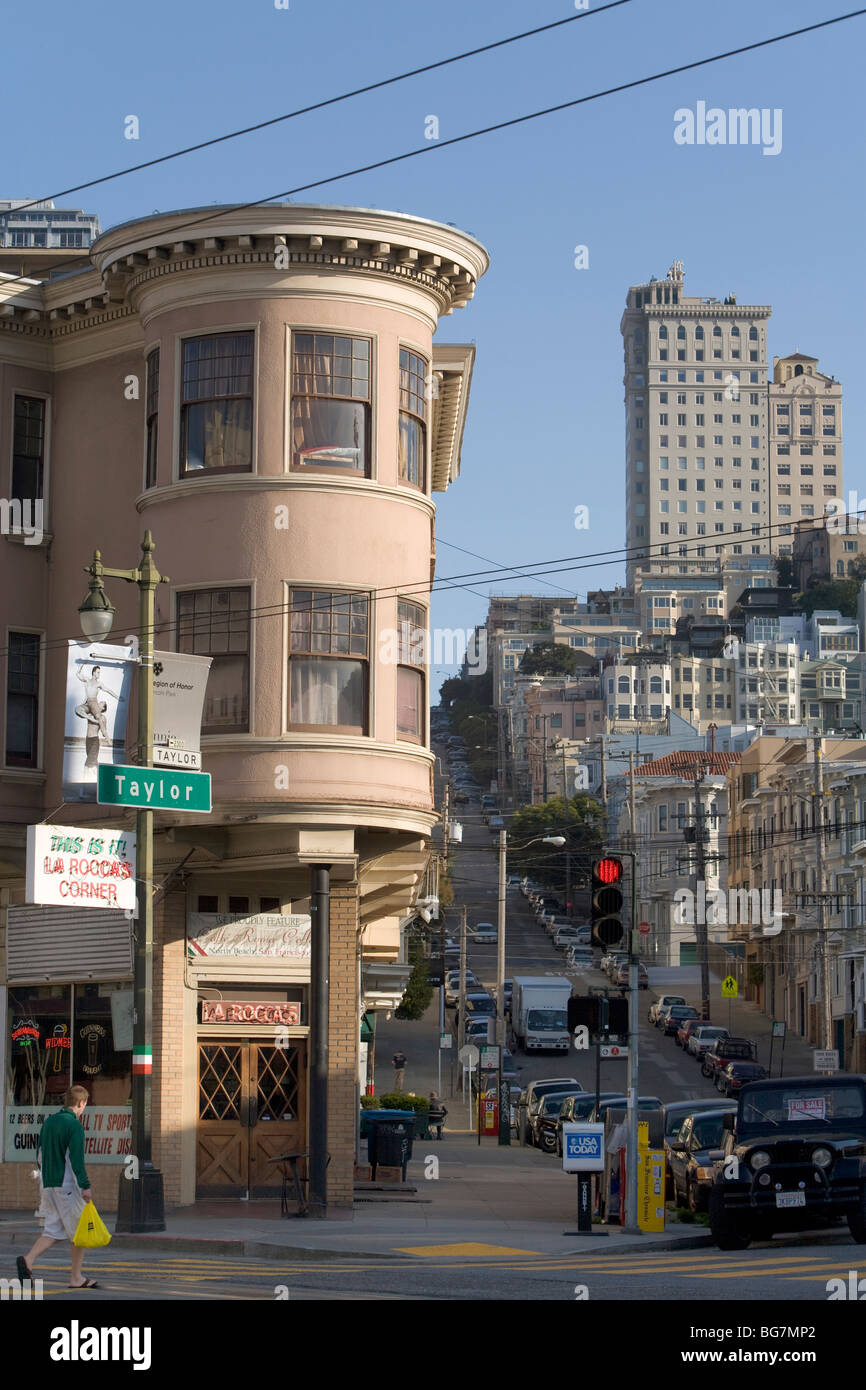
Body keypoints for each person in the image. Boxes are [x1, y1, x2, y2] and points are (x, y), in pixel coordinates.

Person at [16, 1085, 99, 1290]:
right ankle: (76, 1277)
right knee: (80, 1232)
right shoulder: (74, 1126)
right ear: (81, 1103)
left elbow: (39, 1153)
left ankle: (28, 1261)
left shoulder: (50, 1122)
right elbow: (76, 1161)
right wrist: (85, 1186)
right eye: (85, 1105)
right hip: (67, 1186)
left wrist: (42, 1175)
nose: (84, 1109)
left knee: (53, 1230)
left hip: (48, 1185)